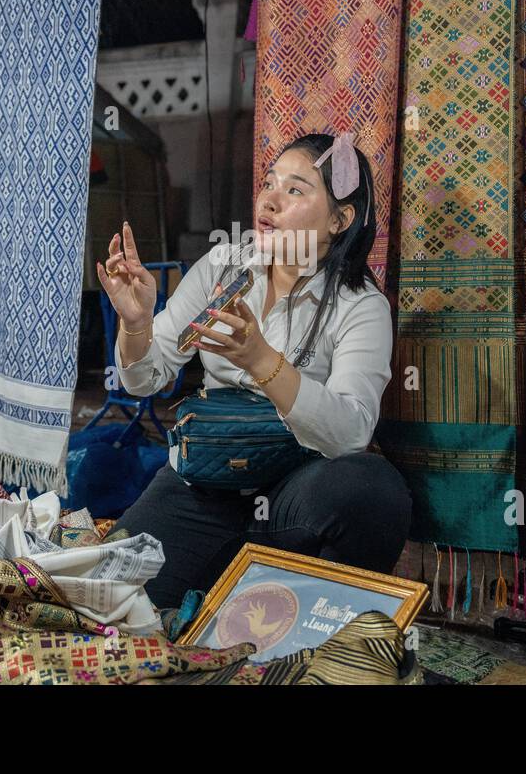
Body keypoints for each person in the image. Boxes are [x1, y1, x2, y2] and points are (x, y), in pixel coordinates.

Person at [100, 132, 411, 610]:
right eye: (269, 183)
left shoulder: (359, 305)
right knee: (111, 597)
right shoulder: (224, 269)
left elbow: (351, 432)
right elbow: (148, 377)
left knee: (372, 489)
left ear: (338, 219)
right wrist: (137, 323)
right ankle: (221, 585)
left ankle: (324, 625)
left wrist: (263, 361)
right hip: (203, 481)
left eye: (295, 190)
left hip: (292, 493)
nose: (268, 200)